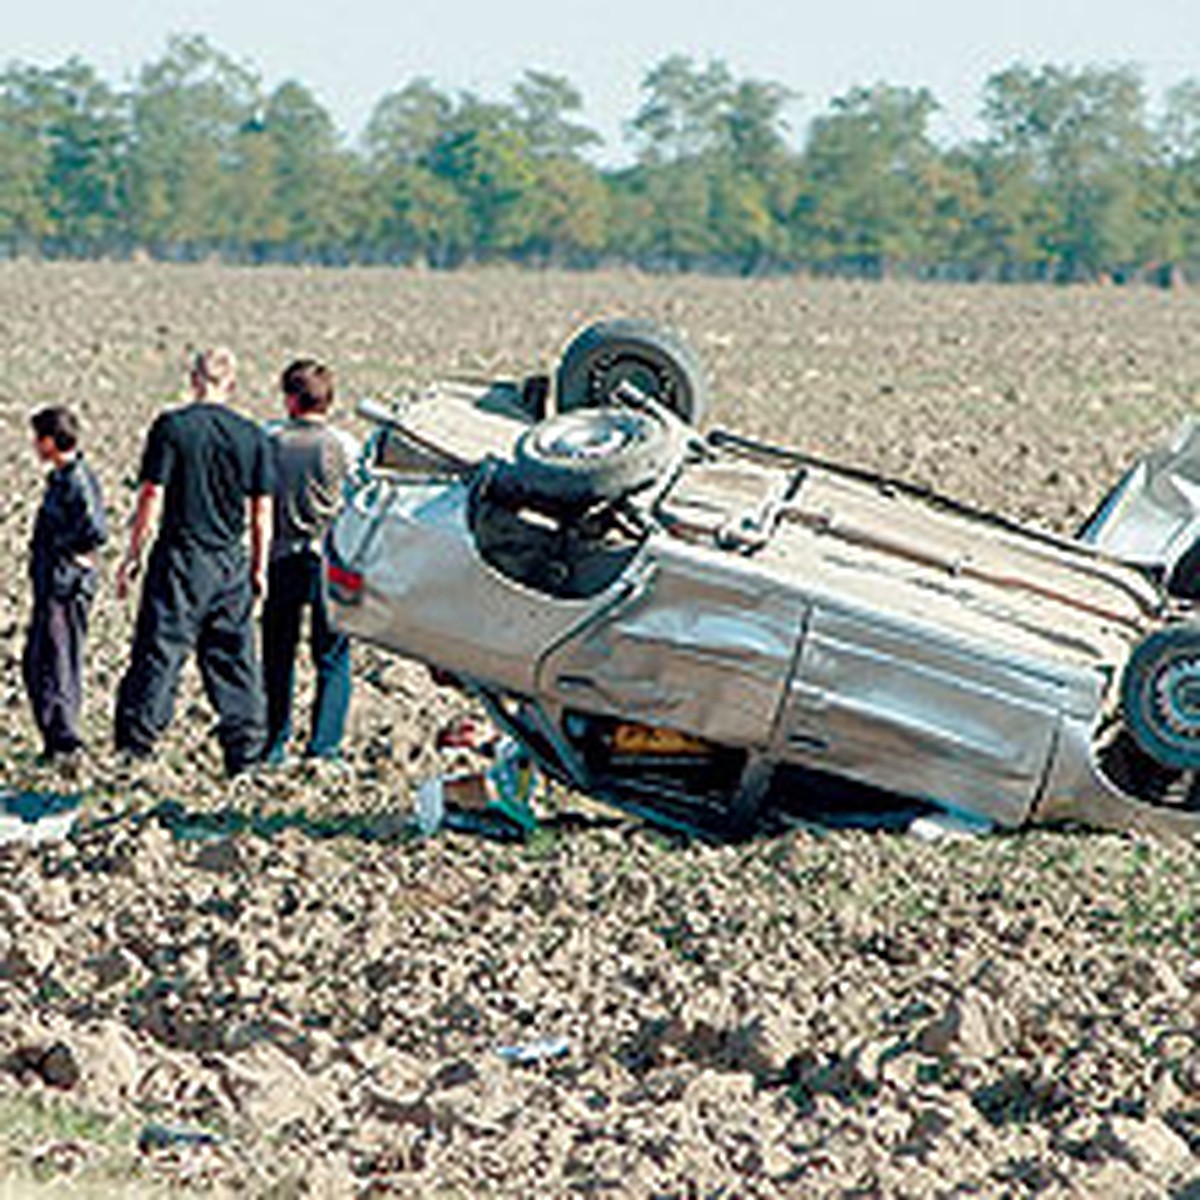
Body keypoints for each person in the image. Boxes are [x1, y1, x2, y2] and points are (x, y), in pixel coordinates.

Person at [114, 348, 272, 776]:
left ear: (193, 378)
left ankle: (136, 747)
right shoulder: (252, 435)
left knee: (161, 651)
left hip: (181, 557)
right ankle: (245, 755)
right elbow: (260, 513)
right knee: (235, 659)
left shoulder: (173, 427)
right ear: (232, 383)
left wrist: (133, 553)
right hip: (229, 563)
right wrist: (258, 568)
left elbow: (152, 494)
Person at [261, 359, 359, 765]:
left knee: (277, 654)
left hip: (280, 557)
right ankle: (325, 747)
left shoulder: (268, 440)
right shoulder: (345, 446)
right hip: (330, 560)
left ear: (289, 399)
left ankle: (274, 742)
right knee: (333, 656)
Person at [23, 407, 107, 761]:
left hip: (65, 586)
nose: (33, 445)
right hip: (53, 583)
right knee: (37, 662)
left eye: (38, 438)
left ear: (51, 441)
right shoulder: (62, 477)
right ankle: (55, 740)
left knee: (58, 662)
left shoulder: (76, 479)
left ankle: (66, 742)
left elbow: (94, 530)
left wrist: (65, 552)